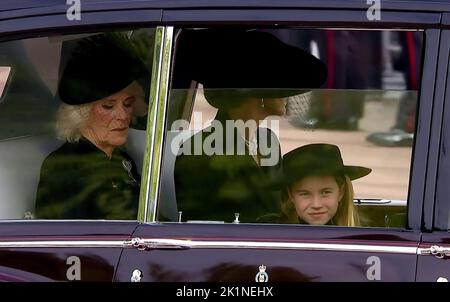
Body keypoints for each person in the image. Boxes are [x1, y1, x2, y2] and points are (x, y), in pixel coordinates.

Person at [173, 29, 327, 223]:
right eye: (282, 83)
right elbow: (202, 229)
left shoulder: (268, 141)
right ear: (260, 91)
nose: (288, 93)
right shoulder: (199, 151)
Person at [34, 33, 149, 219]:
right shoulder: (65, 167)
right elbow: (71, 241)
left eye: (128, 104)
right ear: (82, 113)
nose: (123, 115)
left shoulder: (122, 158)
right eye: (108, 106)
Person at [279, 143, 371, 226]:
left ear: (340, 192)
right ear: (291, 195)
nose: (316, 204)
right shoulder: (274, 234)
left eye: (325, 192)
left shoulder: (364, 236)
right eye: (305, 194)